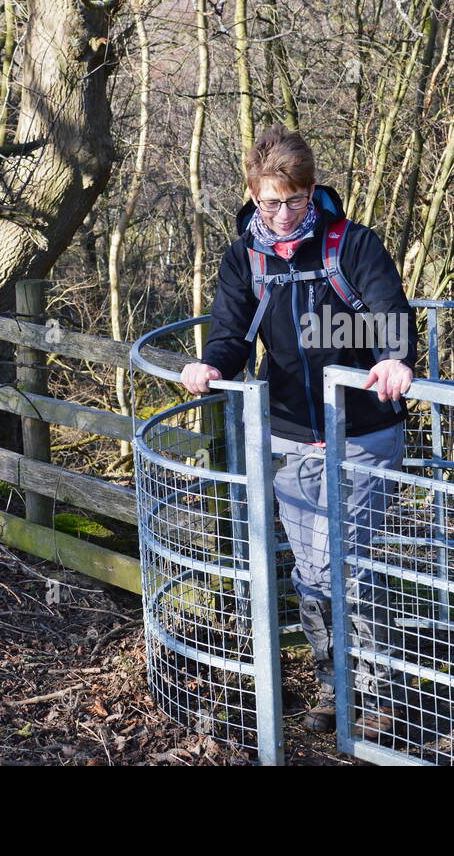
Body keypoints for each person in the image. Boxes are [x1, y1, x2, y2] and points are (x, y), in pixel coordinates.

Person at [180, 124, 416, 737]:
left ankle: (378, 694)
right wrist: (211, 364)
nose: (281, 215)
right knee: (310, 571)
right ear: (252, 196)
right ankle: (334, 685)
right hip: (288, 434)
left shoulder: (353, 246)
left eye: (292, 200)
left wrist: (391, 357)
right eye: (267, 202)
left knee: (348, 565)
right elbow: (232, 331)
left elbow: (390, 306)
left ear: (312, 192)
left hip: (364, 429)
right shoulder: (245, 259)